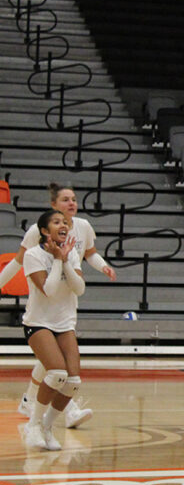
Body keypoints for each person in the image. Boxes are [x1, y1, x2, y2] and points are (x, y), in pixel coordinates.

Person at [3, 183, 116, 428]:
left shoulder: (83, 227)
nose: (71, 203)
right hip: (45, 295)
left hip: (67, 296)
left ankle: (30, 400)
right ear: (53, 205)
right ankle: (66, 411)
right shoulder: (38, 230)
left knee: (54, 362)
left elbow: (90, 254)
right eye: (65, 199)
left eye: (74, 199)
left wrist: (103, 266)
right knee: (55, 363)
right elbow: (19, 261)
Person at [21, 210, 86, 451]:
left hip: (64, 323)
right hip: (38, 323)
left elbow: (79, 289)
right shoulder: (33, 255)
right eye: (57, 222)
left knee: (73, 382)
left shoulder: (73, 254)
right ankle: (34, 425)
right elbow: (48, 290)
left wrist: (66, 259)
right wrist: (57, 259)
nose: (64, 226)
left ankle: (48, 427)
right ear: (45, 231)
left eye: (65, 223)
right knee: (57, 373)